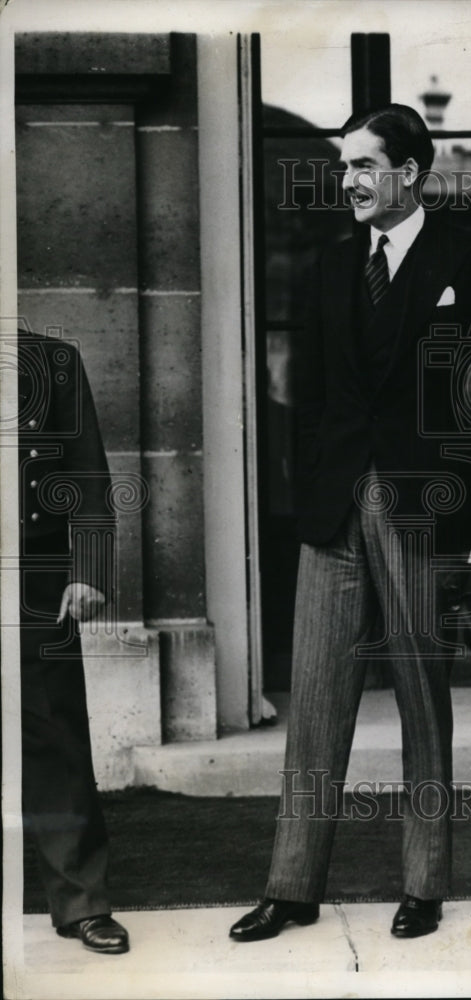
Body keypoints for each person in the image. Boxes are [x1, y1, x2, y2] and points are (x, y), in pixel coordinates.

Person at [230, 104, 471, 942]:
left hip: (424, 513)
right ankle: (291, 887)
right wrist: (308, 491)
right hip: (334, 513)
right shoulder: (327, 265)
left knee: (422, 700)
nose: (349, 180)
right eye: (345, 165)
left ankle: (424, 883)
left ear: (410, 172)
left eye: (365, 165)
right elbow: (312, 397)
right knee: (317, 702)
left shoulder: (468, 258)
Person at [17, 328, 129, 954]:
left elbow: (86, 469)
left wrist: (88, 570)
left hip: (35, 574)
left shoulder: (54, 360)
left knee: (55, 732)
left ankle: (82, 903)